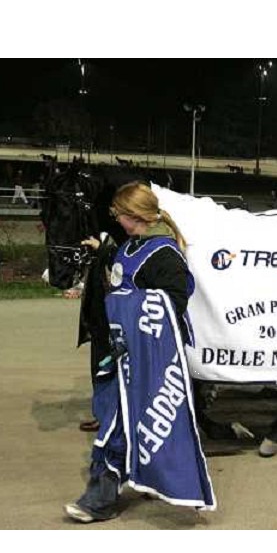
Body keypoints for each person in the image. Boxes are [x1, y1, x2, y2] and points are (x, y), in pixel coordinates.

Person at [65, 182, 215, 523]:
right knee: (115, 417)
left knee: (117, 424)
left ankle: (98, 500)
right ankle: (135, 479)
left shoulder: (165, 255)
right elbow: (122, 282)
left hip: (150, 356)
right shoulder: (131, 245)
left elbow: (173, 302)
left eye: (119, 215)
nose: (116, 220)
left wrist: (127, 308)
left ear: (135, 216)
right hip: (123, 350)